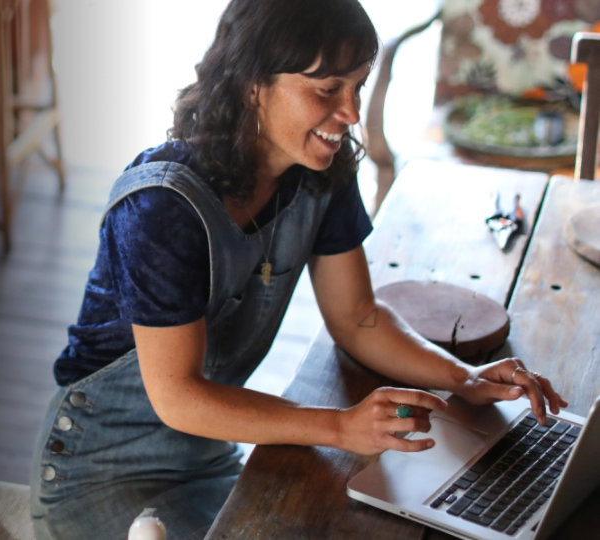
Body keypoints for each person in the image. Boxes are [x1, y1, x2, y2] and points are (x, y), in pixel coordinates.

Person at [29, 1, 568, 538]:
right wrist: (339, 425)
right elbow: (180, 397)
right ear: (252, 85)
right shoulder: (160, 209)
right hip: (99, 472)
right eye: (327, 90)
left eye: (357, 87)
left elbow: (357, 316)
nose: (352, 112)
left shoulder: (318, 172)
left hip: (205, 458)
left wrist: (463, 378)